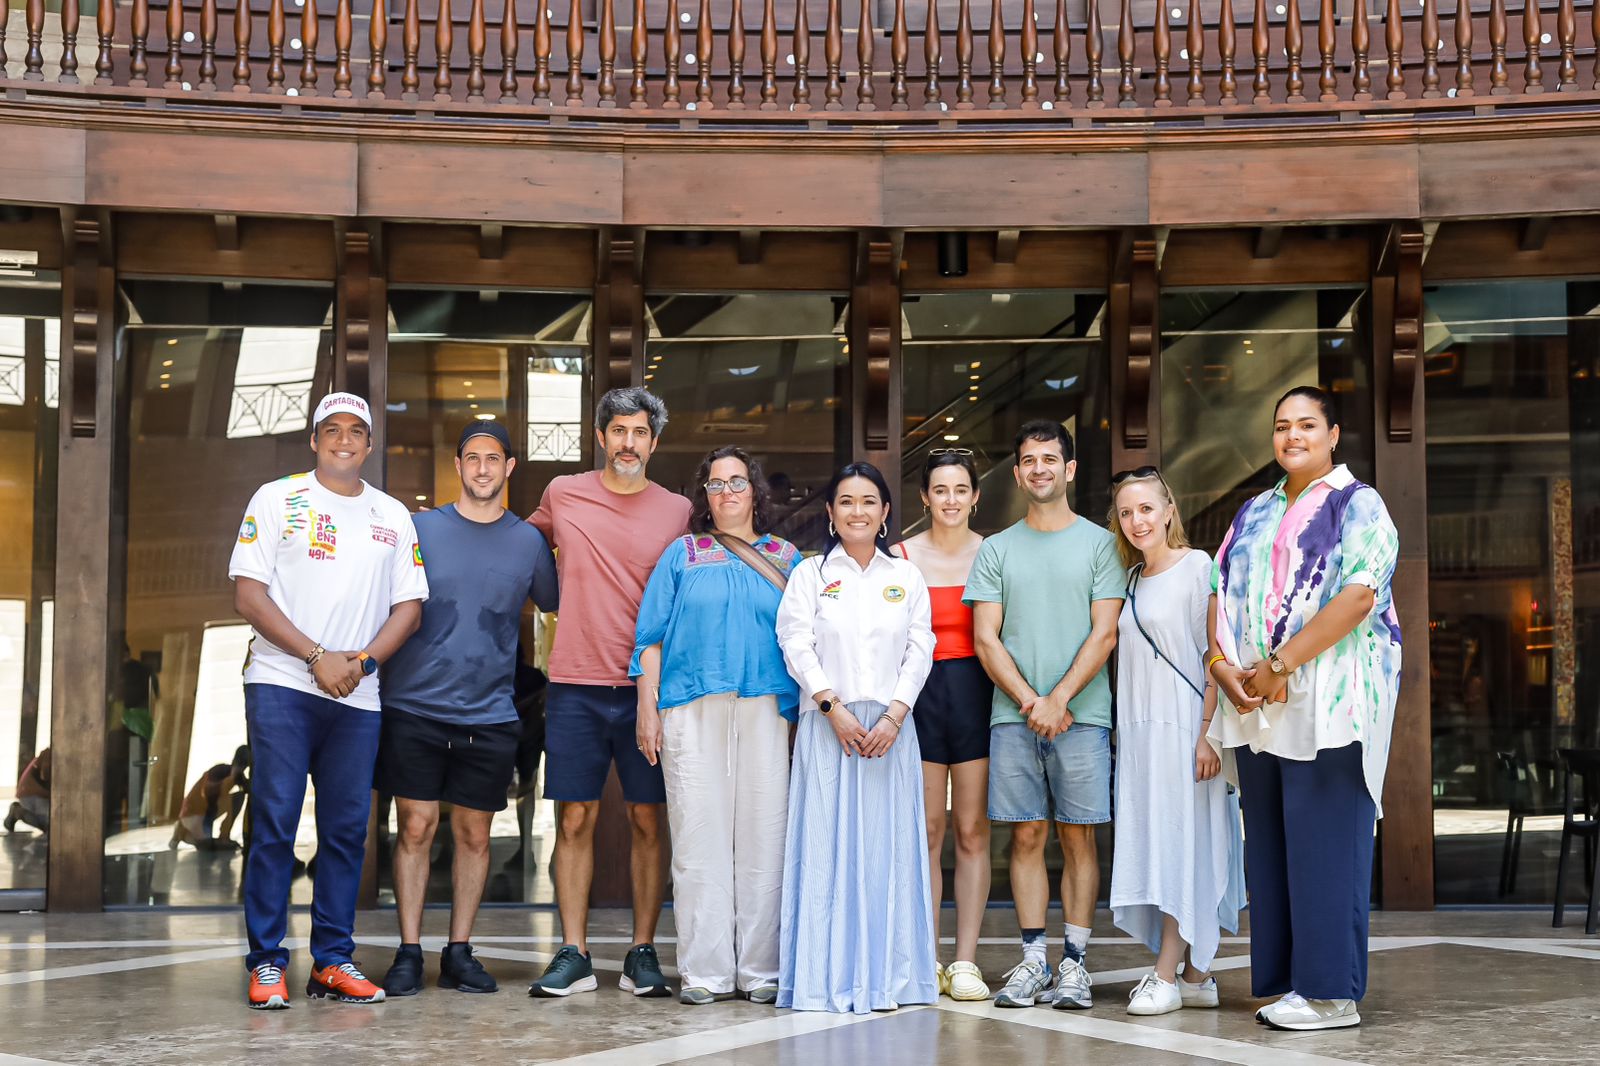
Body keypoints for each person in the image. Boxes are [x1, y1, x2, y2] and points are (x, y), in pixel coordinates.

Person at [1207, 385, 1400, 1032]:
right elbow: (1219, 585)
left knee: (1326, 843)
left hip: (1331, 700)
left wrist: (1280, 665)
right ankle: (1292, 982)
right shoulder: (1256, 508)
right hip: (1258, 703)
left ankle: (1331, 994)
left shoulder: (1358, 503)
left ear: (1333, 433)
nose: (1293, 436)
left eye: (1307, 425)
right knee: (1274, 846)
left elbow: (1358, 597)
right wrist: (1225, 667)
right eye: (1282, 426)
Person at [229, 391, 427, 1010]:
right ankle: (266, 963)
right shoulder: (276, 497)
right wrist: (318, 657)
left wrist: (359, 663)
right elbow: (249, 595)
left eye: (357, 432)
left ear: (370, 445)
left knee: (346, 833)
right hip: (282, 684)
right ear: (314, 440)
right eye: (332, 430)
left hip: (357, 693)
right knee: (275, 824)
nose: (345, 440)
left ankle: (332, 962)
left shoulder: (393, 515)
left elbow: (410, 609)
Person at [377, 421, 558, 997]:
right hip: (414, 705)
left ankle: (459, 951)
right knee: (416, 826)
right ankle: (409, 951)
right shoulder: (418, 527)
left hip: (489, 713)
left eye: (494, 459)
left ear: (510, 469)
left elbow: (556, 604)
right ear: (458, 467)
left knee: (476, 834)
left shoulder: (528, 542)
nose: (483, 468)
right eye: (472, 458)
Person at [526, 386, 692, 999]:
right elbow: (524, 547)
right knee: (574, 817)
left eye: (639, 432)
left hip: (649, 688)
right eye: (617, 430)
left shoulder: (677, 510)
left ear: (654, 441)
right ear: (600, 437)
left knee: (649, 818)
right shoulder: (562, 494)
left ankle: (642, 952)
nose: (628, 443)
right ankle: (574, 953)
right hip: (574, 683)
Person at [633, 445, 801, 1005]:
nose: (727, 492)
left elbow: (809, 640)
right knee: (698, 839)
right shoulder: (683, 553)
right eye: (715, 484)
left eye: (736, 481)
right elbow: (649, 639)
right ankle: (704, 972)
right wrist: (646, 709)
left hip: (767, 708)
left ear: (755, 489)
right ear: (703, 495)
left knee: (764, 838)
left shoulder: (787, 557)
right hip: (689, 705)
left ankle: (760, 971)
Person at [965, 420, 1122, 1010]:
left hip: (1084, 717)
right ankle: (1033, 960)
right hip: (1014, 717)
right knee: (1026, 834)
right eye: (1028, 460)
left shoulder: (1103, 544)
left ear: (1070, 469)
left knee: (1078, 837)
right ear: (1017, 472)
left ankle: (1075, 963)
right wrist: (1034, 702)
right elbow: (986, 638)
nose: (1039, 469)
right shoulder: (997, 548)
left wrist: (1059, 700)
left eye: (1050, 459)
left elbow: (1105, 633)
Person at [775, 461, 938, 1014]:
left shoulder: (906, 576)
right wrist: (831, 707)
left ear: (886, 513)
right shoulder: (810, 575)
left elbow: (922, 646)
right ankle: (824, 979)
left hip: (892, 733)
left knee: (887, 854)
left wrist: (894, 715)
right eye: (846, 501)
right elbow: (794, 641)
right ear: (829, 512)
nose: (858, 511)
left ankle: (890, 979)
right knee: (829, 853)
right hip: (831, 731)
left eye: (869, 501)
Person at [1106, 468, 1246, 1016]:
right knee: (1164, 843)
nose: (1136, 520)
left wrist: (1208, 736)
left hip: (1186, 732)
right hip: (1141, 735)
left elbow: (1215, 656)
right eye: (1125, 512)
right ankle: (1196, 974)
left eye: (1145, 508)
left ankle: (1166, 973)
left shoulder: (1197, 568)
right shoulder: (1132, 578)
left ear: (1168, 510)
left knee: (1184, 844)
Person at [891, 450, 994, 1002]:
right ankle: (926, 958)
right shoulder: (902, 557)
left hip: (977, 694)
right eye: (940, 489)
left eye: (961, 489)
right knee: (927, 830)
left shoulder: (994, 553)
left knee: (972, 830)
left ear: (975, 496)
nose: (951, 499)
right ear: (925, 498)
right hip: (920, 697)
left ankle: (966, 961)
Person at [169, 745, 251, 851]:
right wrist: (232, 777)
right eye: (241, 765)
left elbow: (248, 789)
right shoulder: (219, 770)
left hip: (208, 814)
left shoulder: (238, 777)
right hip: (195, 813)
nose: (242, 769)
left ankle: (223, 836)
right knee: (206, 847)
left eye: (244, 766)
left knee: (239, 797)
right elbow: (208, 792)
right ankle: (180, 832)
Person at [4, 748, 51, 835]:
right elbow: (44, 774)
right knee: (50, 826)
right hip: (32, 792)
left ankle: (18, 811)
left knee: (52, 825)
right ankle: (17, 812)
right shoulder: (50, 753)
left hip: (34, 791)